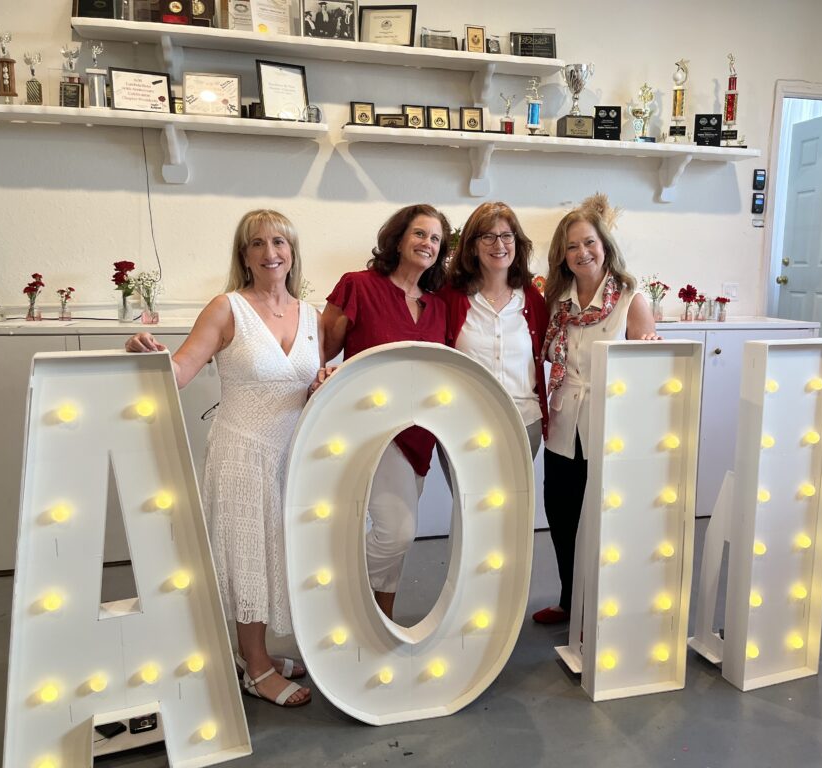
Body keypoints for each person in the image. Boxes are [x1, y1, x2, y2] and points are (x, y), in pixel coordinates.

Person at [125, 210, 321, 707]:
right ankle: (256, 669)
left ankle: (256, 652)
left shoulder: (311, 314)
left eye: (279, 242)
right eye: (257, 244)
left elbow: (303, 385)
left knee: (278, 554)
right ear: (244, 255)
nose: (270, 252)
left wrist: (320, 386)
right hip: (242, 452)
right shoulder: (226, 308)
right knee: (247, 556)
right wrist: (144, 353)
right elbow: (179, 371)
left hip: (291, 455)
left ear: (292, 251)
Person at [318, 204, 450, 621]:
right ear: (398, 238)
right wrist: (321, 376)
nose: (427, 243)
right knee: (398, 533)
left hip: (420, 433)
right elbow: (319, 351)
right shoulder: (358, 286)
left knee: (396, 546)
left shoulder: (438, 306)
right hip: (372, 430)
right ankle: (329, 594)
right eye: (419, 233)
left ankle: (379, 626)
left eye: (435, 238)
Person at [532, 196, 658, 625]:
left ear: (604, 245)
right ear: (562, 255)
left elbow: (647, 373)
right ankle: (572, 601)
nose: (582, 252)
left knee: (606, 523)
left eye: (589, 242)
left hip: (610, 428)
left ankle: (602, 610)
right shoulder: (557, 303)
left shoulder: (630, 300)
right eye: (572, 246)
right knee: (562, 517)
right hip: (564, 425)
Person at [438, 201, 549, 458]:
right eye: (488, 236)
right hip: (460, 425)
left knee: (516, 488)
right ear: (473, 246)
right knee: (463, 488)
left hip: (522, 422)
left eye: (506, 236)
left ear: (517, 243)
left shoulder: (533, 299)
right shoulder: (450, 298)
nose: (499, 245)